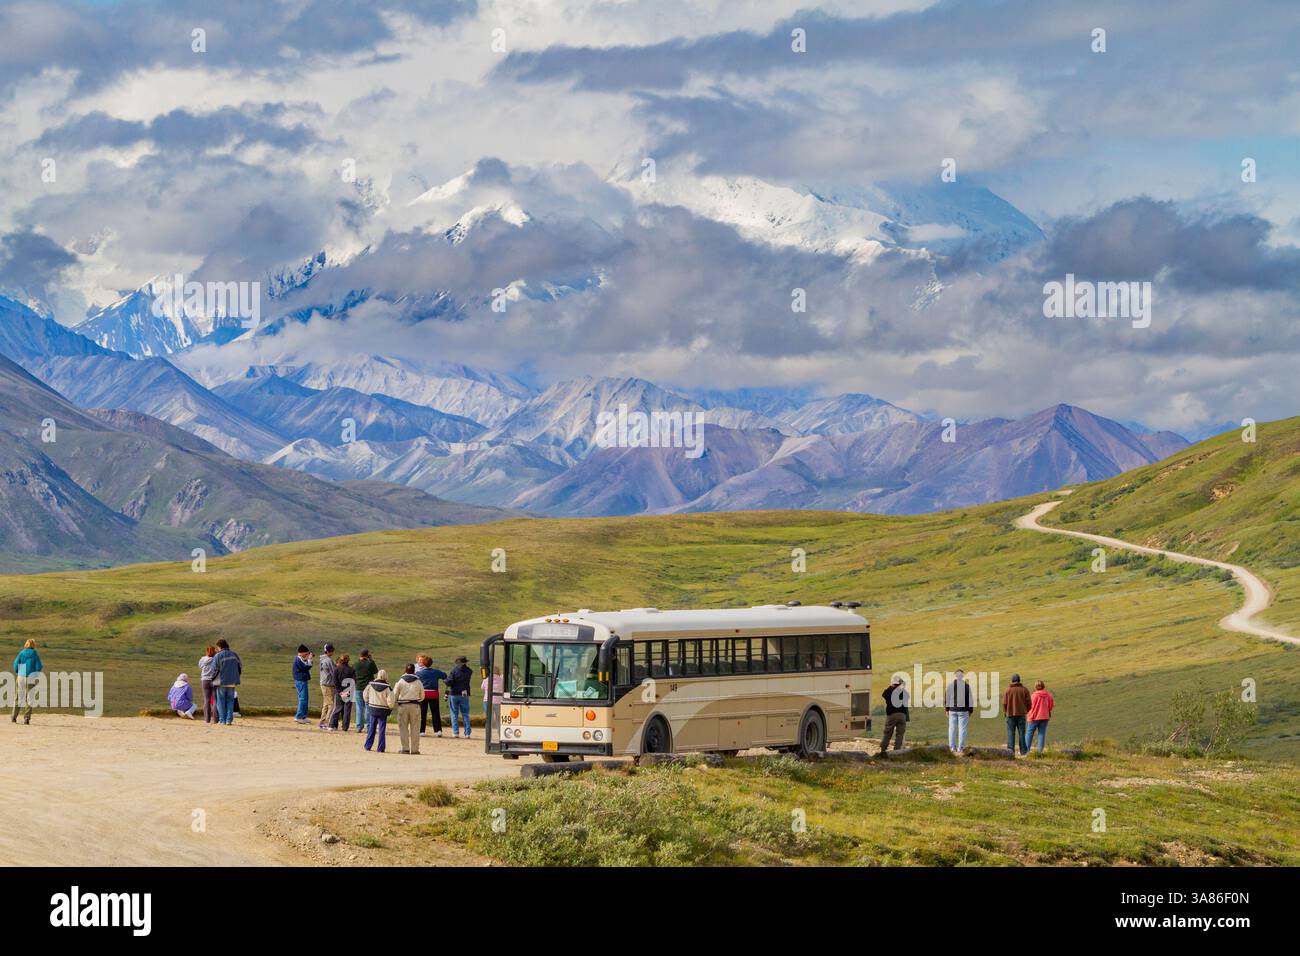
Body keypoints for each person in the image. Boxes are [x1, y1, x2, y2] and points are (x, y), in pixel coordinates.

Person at [393, 663, 424, 754]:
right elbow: (422, 696)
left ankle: (405, 748)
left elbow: (395, 695)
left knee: (403, 728)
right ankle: (415, 749)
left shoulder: (401, 681)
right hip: (415, 706)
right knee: (415, 728)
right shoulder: (418, 682)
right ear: (414, 671)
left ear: (405, 670)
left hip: (403, 706)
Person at [210, 639, 242, 725]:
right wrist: (235, 676)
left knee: (220, 702)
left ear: (219, 646)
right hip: (232, 682)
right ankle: (229, 720)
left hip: (221, 682)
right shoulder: (235, 655)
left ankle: (222, 720)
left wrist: (212, 679)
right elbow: (239, 667)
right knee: (230, 701)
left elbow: (214, 670)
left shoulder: (218, 656)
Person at [11, 639, 42, 725]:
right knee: (29, 698)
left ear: (26, 644)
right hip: (31, 676)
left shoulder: (21, 653)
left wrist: (18, 672)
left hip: (21, 676)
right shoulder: (35, 654)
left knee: (18, 697)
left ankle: (14, 717)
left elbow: (15, 664)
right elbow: (39, 666)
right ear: (33, 645)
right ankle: (26, 718)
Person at [363, 670, 394, 752]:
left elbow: (365, 695)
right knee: (382, 729)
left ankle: (368, 746)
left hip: (373, 708)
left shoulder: (370, 685)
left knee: (371, 728)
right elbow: (390, 701)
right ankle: (380, 748)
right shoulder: (387, 687)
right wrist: (390, 707)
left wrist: (367, 702)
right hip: (383, 710)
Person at [945, 669, 975, 754]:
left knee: (952, 729)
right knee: (962, 729)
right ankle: (960, 748)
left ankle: (952, 747)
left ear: (955, 676)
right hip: (963, 710)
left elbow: (947, 698)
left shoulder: (950, 686)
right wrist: (970, 710)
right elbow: (970, 699)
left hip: (952, 709)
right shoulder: (966, 686)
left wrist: (947, 709)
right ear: (962, 676)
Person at [415, 656, 446, 737]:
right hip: (434, 694)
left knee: (422, 713)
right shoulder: (436, 672)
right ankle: (438, 731)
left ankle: (422, 731)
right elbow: (444, 675)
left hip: (423, 694)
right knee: (435, 713)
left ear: (423, 664)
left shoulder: (419, 673)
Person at [1002, 672, 1032, 755]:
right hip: (1022, 715)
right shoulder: (1024, 690)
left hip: (1010, 715)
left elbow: (1004, 703)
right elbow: (1029, 703)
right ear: (1019, 680)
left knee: (1010, 732)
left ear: (1012, 681)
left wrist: (1005, 712)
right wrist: (1026, 711)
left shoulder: (1008, 690)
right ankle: (1023, 751)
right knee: (1022, 733)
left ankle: (1010, 751)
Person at [880, 674, 909, 753]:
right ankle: (897, 752)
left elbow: (884, 694)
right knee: (900, 734)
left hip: (892, 715)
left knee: (887, 733)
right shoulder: (903, 691)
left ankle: (883, 750)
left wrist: (891, 686)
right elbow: (907, 696)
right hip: (902, 715)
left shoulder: (888, 691)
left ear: (892, 683)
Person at [446, 656, 473, 738]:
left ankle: (456, 732)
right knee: (465, 714)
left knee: (454, 713)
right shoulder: (469, 671)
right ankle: (467, 733)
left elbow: (450, 682)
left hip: (454, 693)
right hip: (464, 694)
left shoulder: (454, 670)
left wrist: (445, 681)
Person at [1026, 680, 1055, 753]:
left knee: (1029, 733)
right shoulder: (1048, 695)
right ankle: (1040, 752)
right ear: (1043, 686)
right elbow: (1051, 706)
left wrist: (1030, 716)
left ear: (1035, 687)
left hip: (1034, 717)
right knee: (1042, 734)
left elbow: (1029, 707)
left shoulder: (1033, 696)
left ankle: (1026, 751)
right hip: (1045, 717)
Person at [353, 649, 378, 734]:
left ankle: (359, 727)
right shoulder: (369, 663)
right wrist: (371, 660)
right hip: (368, 687)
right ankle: (369, 727)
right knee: (368, 707)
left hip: (358, 687)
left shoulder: (356, 664)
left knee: (359, 708)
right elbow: (375, 671)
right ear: (367, 655)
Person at [331, 654, 356, 730]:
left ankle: (333, 725)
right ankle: (345, 727)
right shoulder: (352, 669)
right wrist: (348, 691)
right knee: (347, 710)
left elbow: (335, 682)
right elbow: (354, 681)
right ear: (348, 660)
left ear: (340, 660)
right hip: (349, 692)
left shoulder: (336, 669)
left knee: (338, 708)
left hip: (339, 692)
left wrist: (340, 692)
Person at [318, 643, 337, 730]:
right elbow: (334, 672)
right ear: (329, 651)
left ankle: (322, 722)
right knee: (331, 705)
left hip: (324, 684)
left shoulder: (322, 659)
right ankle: (327, 723)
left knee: (326, 704)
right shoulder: (328, 660)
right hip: (328, 684)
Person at [292, 645, 312, 723]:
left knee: (305, 698)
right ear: (302, 653)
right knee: (303, 699)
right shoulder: (298, 659)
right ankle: (299, 716)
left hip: (302, 680)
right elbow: (306, 667)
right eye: (306, 653)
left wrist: (306, 659)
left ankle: (303, 716)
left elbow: (304, 664)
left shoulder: (300, 659)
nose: (307, 654)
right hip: (301, 680)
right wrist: (309, 660)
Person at [198, 645, 218, 724]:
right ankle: (216, 719)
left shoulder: (203, 659)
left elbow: (200, 666)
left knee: (206, 700)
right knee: (215, 700)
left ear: (206, 651)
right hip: (214, 680)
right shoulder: (216, 659)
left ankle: (207, 719)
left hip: (205, 680)